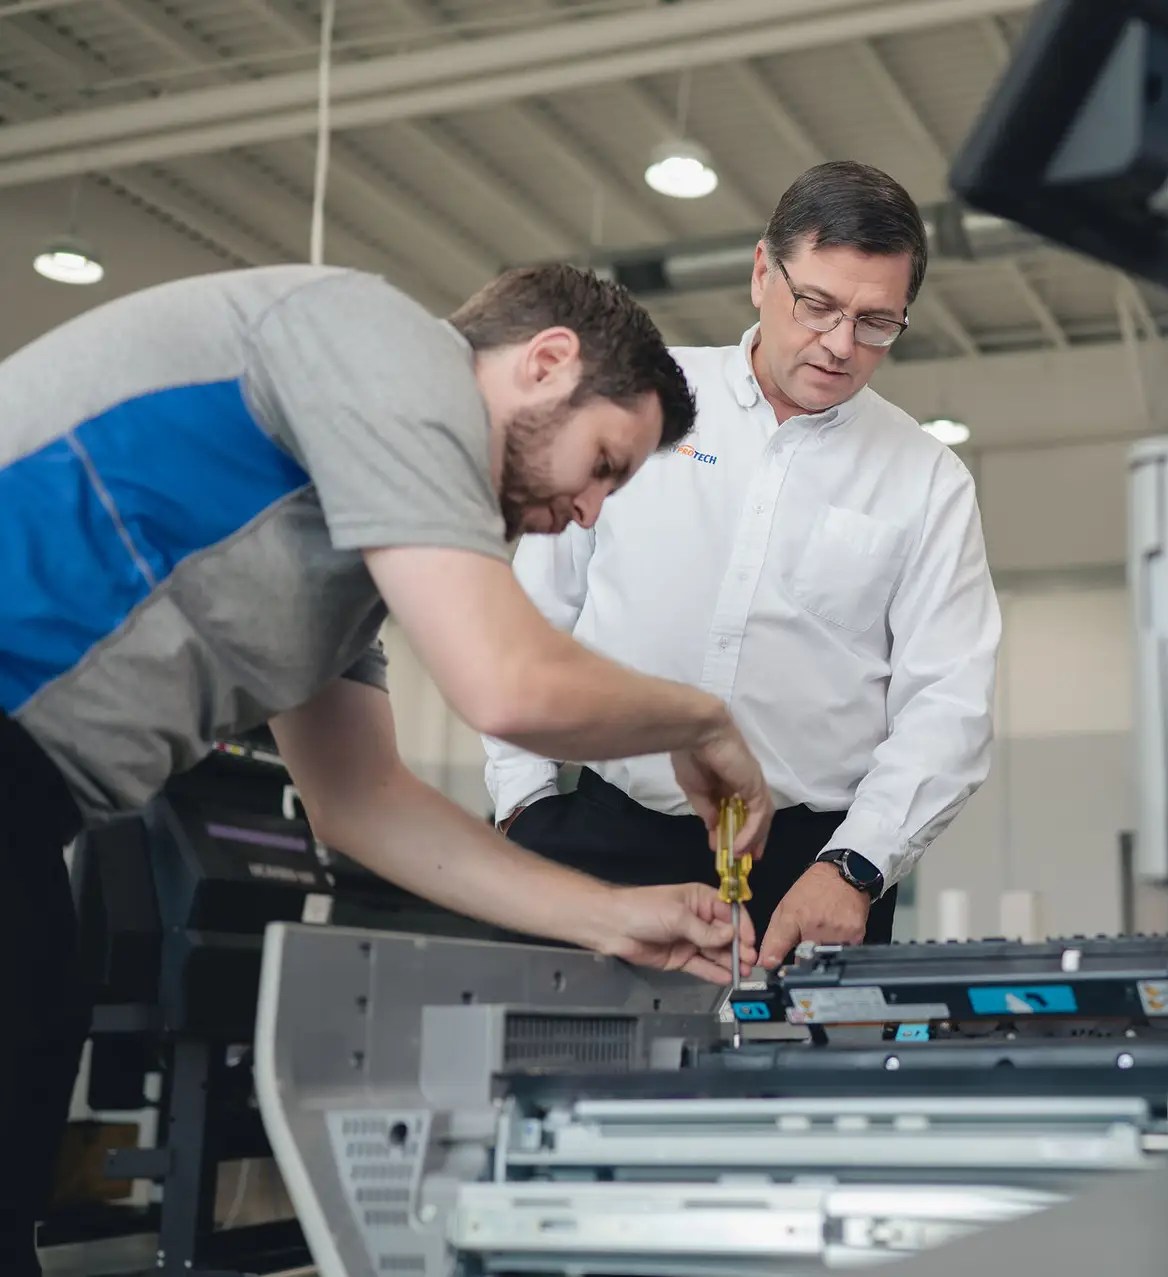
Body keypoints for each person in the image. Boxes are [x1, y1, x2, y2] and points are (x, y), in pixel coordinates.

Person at [0, 262, 773, 1274]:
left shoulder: (351, 561)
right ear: (546, 362)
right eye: (602, 464)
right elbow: (508, 683)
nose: (588, 512)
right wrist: (706, 719)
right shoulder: (381, 342)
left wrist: (611, 915)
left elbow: (363, 800)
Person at [484, 161, 1001, 969]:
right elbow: (528, 614)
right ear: (763, 271)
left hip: (813, 874)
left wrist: (856, 866)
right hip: (607, 837)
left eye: (875, 323)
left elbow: (950, 703)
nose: (839, 345)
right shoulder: (643, 398)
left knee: (797, 1096)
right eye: (818, 304)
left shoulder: (927, 480)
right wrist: (521, 808)